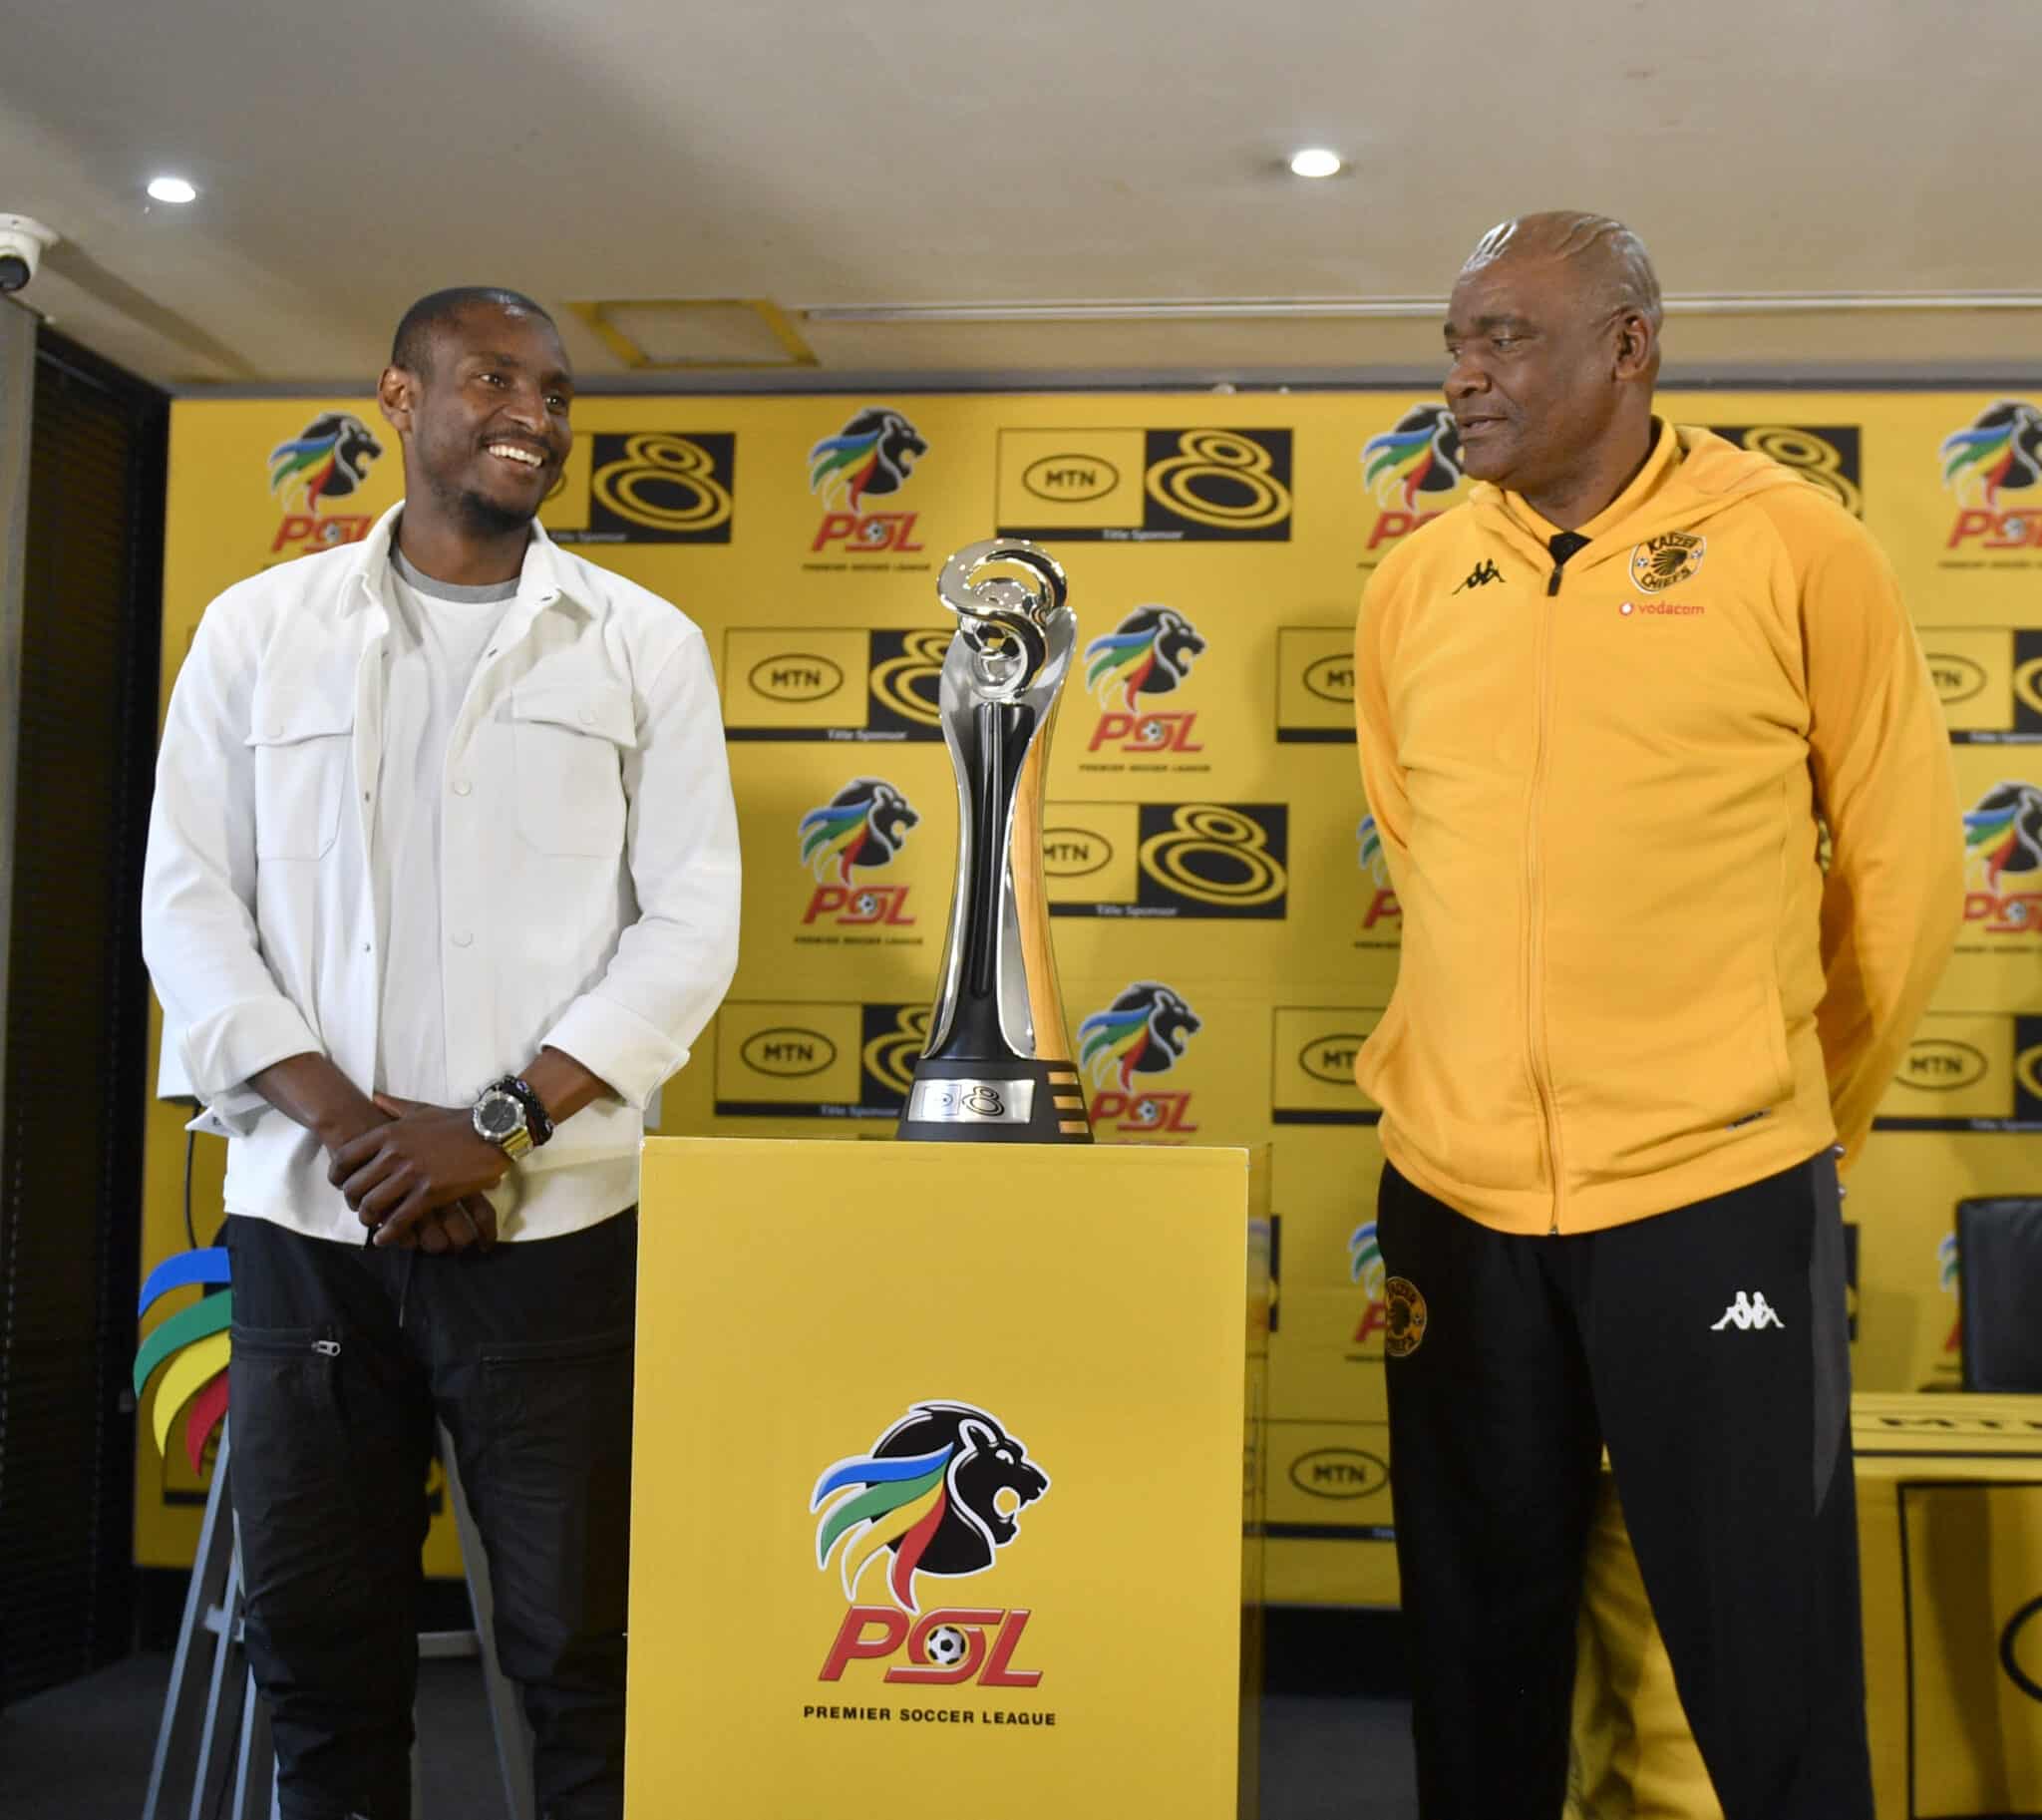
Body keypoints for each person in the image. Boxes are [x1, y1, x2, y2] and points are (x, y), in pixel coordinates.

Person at [1351, 214, 1960, 1818]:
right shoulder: (1415, 583)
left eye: (1504, 338)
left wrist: (1781, 1118)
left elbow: (1903, 878)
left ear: (1629, 348)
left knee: (1769, 1661)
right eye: (1454, 342)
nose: (1464, 375)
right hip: (1454, 1199)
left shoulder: (1795, 545)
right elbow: (1418, 849)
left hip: (1716, 1193)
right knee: (1474, 1666)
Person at [142, 286, 741, 1820]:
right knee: (320, 1656)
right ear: (400, 399)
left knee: (580, 1656)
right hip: (308, 1227)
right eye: (492, 378)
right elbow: (189, 909)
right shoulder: (256, 631)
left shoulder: (643, 644)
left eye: (554, 391)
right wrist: (371, 1140)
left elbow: (690, 926)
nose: (533, 414)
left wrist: (494, 1128)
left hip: (556, 1231)